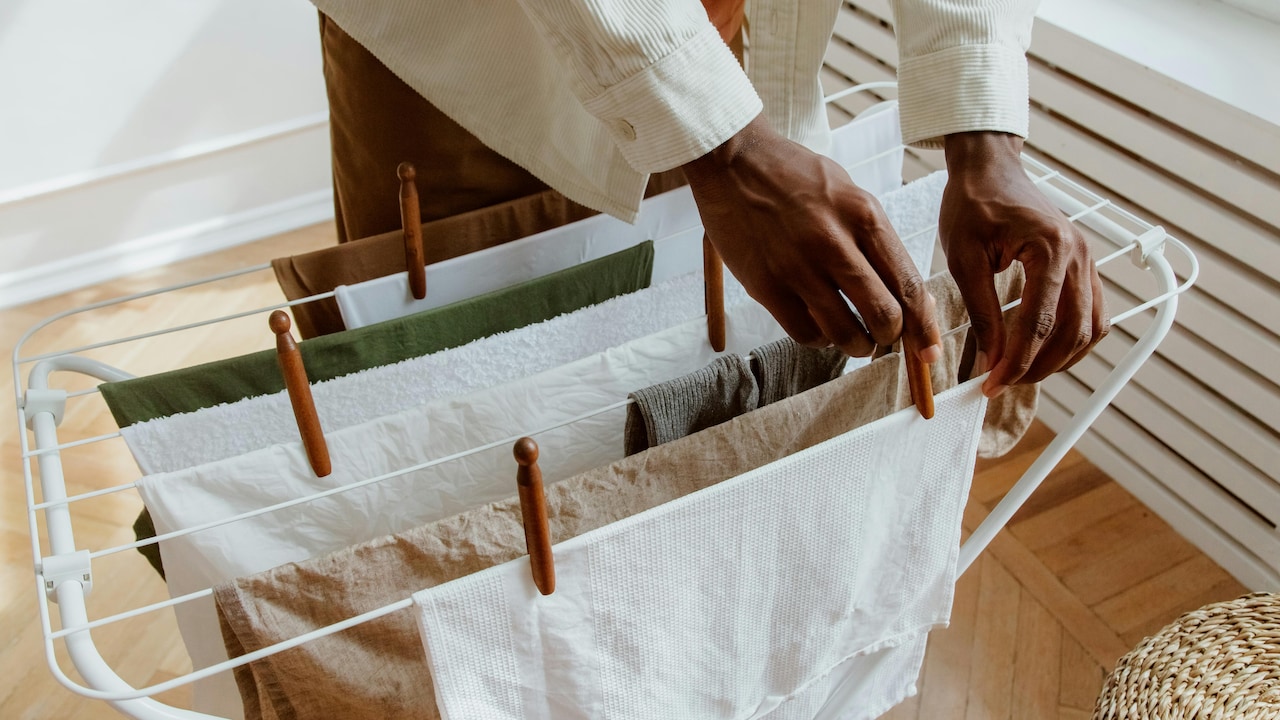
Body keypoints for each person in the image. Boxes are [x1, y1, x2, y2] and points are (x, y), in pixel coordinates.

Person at [311, 0, 1107, 397]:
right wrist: (724, 144)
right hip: (474, 41)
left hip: (707, 32)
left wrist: (981, 126)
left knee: (680, 356)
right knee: (455, 371)